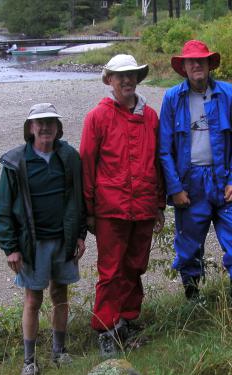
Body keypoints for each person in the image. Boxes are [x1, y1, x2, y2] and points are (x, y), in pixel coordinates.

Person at [159, 40, 232, 311]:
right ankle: (193, 298)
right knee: (189, 244)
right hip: (190, 185)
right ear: (184, 68)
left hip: (225, 180)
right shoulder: (172, 98)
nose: (196, 65)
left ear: (208, 64)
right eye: (191, 61)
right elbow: (164, 150)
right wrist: (175, 188)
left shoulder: (227, 93)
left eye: (201, 60)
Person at [80, 54, 166, 358]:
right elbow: (87, 165)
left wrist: (159, 204)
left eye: (131, 75)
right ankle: (105, 328)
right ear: (110, 81)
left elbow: (158, 162)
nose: (127, 80)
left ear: (138, 78)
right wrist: (88, 210)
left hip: (143, 206)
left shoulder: (151, 117)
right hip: (110, 208)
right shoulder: (97, 117)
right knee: (110, 271)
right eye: (120, 76)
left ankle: (127, 319)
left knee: (135, 266)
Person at [0, 103, 86, 375]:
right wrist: (10, 248)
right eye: (39, 122)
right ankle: (29, 361)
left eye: (51, 122)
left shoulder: (69, 157)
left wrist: (80, 234)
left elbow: (77, 199)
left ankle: (59, 352)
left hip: (63, 240)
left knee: (60, 294)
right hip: (32, 244)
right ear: (30, 128)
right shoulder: (16, 162)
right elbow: (3, 209)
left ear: (59, 128)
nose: (45, 127)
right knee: (33, 299)